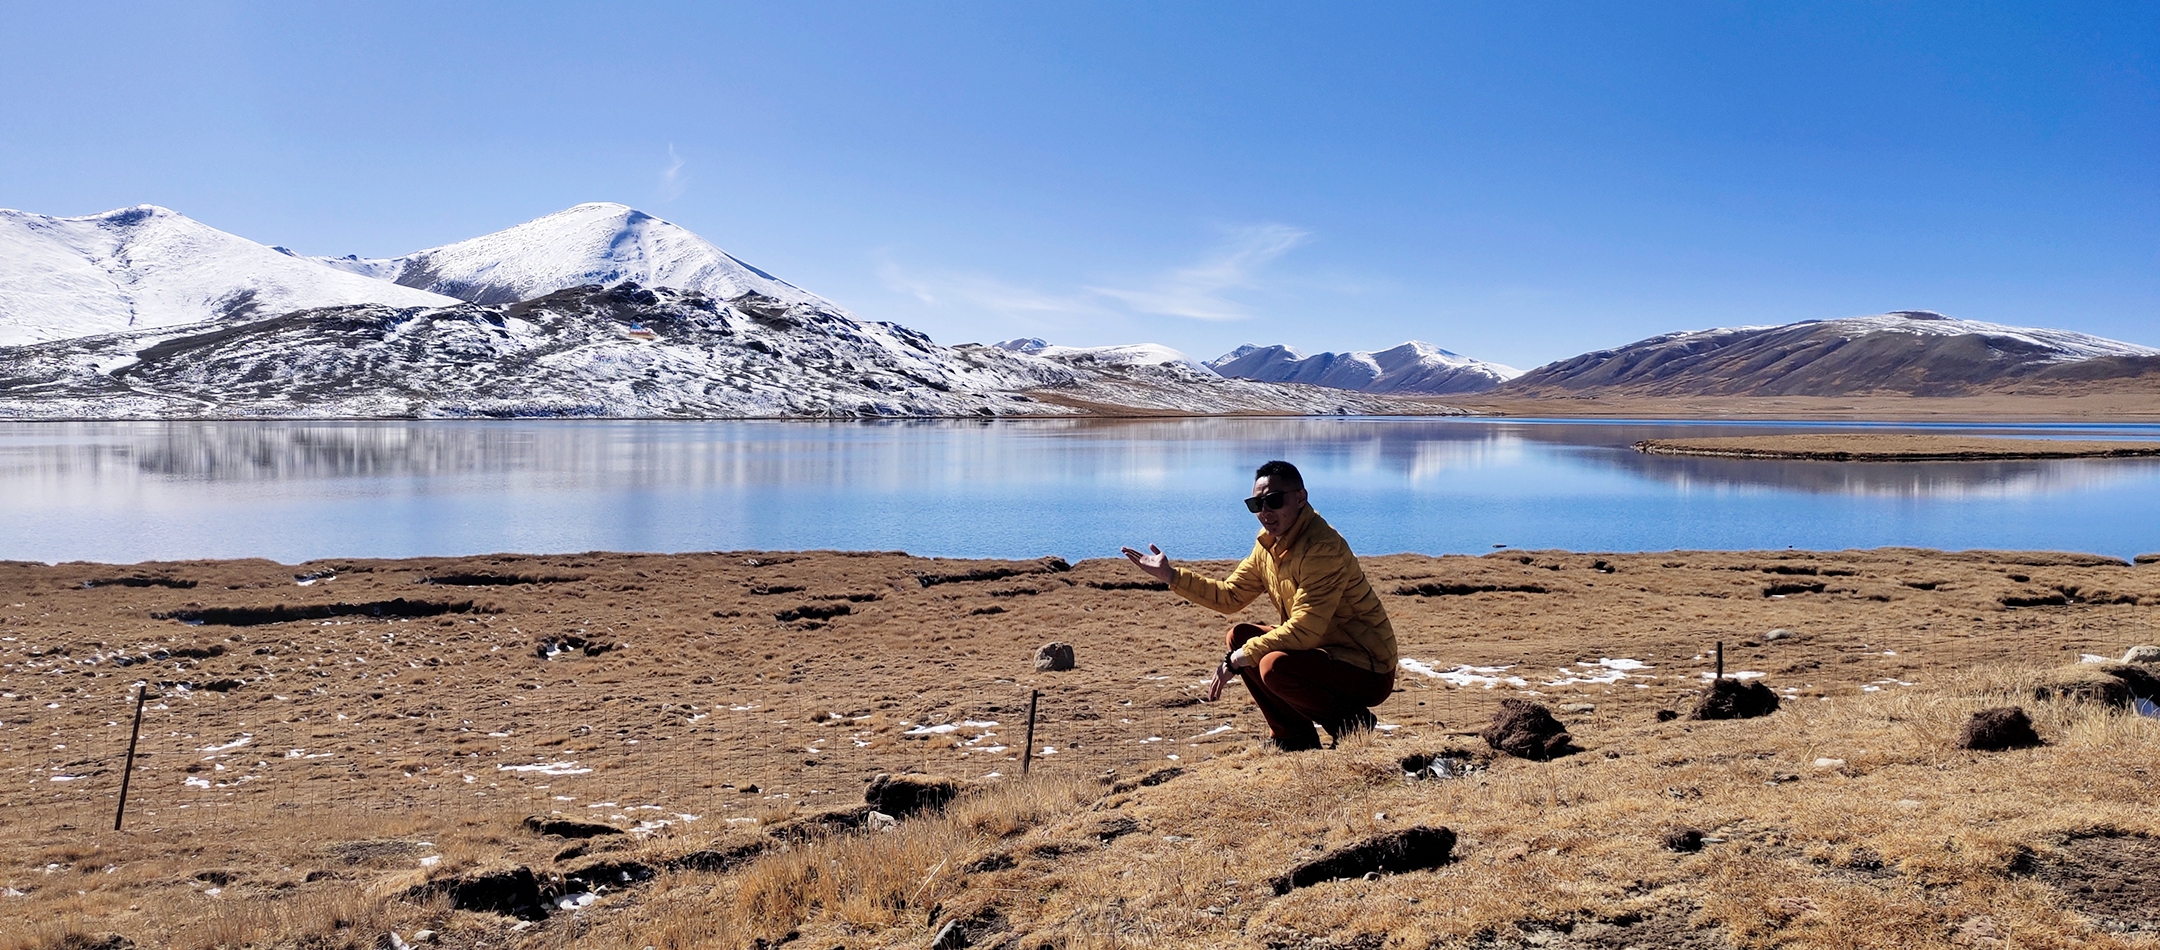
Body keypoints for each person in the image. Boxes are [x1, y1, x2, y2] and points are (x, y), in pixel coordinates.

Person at [1121, 460, 1397, 751]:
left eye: (1274, 501)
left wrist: (1238, 659)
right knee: (1239, 636)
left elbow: (1306, 629)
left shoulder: (1321, 548)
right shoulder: (1269, 545)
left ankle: (1352, 725)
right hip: (1327, 654)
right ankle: (1293, 737)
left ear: (1300, 498)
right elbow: (1231, 596)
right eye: (1256, 504)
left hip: (1368, 669)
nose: (1265, 512)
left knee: (1271, 665)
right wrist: (1170, 576)